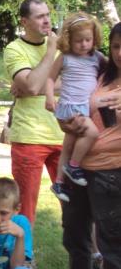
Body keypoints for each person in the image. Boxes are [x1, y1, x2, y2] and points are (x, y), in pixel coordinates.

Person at [47, 23, 121, 269]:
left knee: (111, 242)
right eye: (116, 46)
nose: (120, 53)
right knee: (75, 235)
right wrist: (68, 123)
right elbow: (75, 108)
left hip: (111, 170)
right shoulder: (102, 74)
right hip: (79, 169)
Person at [3, 0, 63, 224]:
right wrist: (51, 51)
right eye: (40, 17)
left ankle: (83, 247)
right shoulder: (14, 49)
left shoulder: (64, 47)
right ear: (24, 22)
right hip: (29, 138)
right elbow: (31, 86)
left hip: (65, 135)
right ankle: (23, 248)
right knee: (25, 210)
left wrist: (33, 85)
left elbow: (77, 83)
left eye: (47, 15)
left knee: (75, 207)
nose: (46, 21)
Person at [45, 12, 105, 202]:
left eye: (88, 39)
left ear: (94, 38)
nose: (84, 44)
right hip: (70, 107)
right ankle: (74, 165)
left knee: (68, 146)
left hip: (84, 108)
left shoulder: (97, 57)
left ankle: (59, 183)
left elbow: (111, 69)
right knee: (92, 133)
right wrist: (49, 97)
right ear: (69, 40)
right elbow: (50, 78)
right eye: (79, 41)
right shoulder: (65, 57)